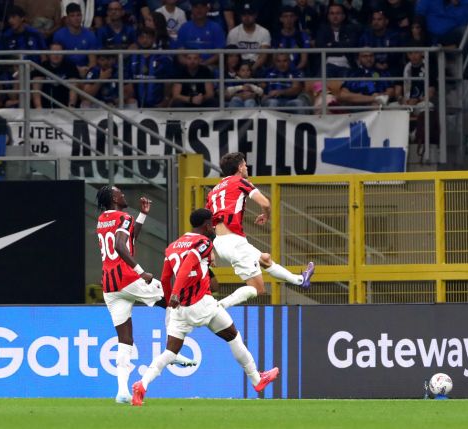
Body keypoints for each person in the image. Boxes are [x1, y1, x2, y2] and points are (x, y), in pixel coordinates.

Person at [130, 208, 280, 406]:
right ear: (206, 225)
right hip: (201, 303)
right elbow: (187, 265)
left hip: (179, 309)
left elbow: (166, 277)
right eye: (213, 223)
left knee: (170, 352)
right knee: (232, 335)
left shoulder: (173, 246)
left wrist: (170, 301)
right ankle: (256, 378)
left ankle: (142, 384)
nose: (215, 227)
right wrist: (176, 292)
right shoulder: (203, 242)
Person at [95, 186, 196, 403]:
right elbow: (122, 246)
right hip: (129, 278)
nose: (123, 194)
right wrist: (142, 272)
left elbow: (129, 240)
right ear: (114, 198)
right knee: (173, 301)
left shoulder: (103, 219)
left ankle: (122, 391)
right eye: (120, 192)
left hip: (110, 285)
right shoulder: (123, 216)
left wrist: (142, 216)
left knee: (125, 339)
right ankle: (172, 352)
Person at [206, 152, 315, 308]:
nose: (246, 167)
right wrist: (266, 214)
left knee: (264, 259)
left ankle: (300, 280)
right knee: (258, 289)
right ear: (239, 167)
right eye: (244, 164)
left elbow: (207, 223)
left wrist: (210, 251)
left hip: (220, 243)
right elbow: (265, 203)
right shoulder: (240, 181)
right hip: (234, 242)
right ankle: (218, 306)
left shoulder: (213, 191)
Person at [53, 2, 100, 77]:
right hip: (65, 71)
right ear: (67, 18)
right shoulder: (59, 35)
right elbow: (58, 59)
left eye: (78, 15)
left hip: (86, 71)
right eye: (72, 16)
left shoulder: (90, 35)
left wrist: (88, 71)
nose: (76, 18)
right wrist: (76, 69)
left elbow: (92, 61)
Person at [31, 41, 80, 109]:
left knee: (74, 82)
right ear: (48, 54)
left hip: (65, 107)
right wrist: (39, 107)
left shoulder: (71, 67)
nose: (56, 55)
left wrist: (71, 106)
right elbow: (36, 89)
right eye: (53, 52)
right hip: (45, 107)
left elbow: (74, 87)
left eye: (59, 53)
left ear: (63, 54)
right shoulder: (41, 67)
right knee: (37, 80)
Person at [226, 2, 271, 75]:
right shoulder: (233, 32)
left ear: (255, 15)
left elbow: (263, 56)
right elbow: (231, 56)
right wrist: (241, 71)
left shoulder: (264, 32)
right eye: (244, 15)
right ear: (240, 16)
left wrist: (250, 70)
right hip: (238, 67)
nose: (247, 17)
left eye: (250, 14)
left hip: (257, 67)